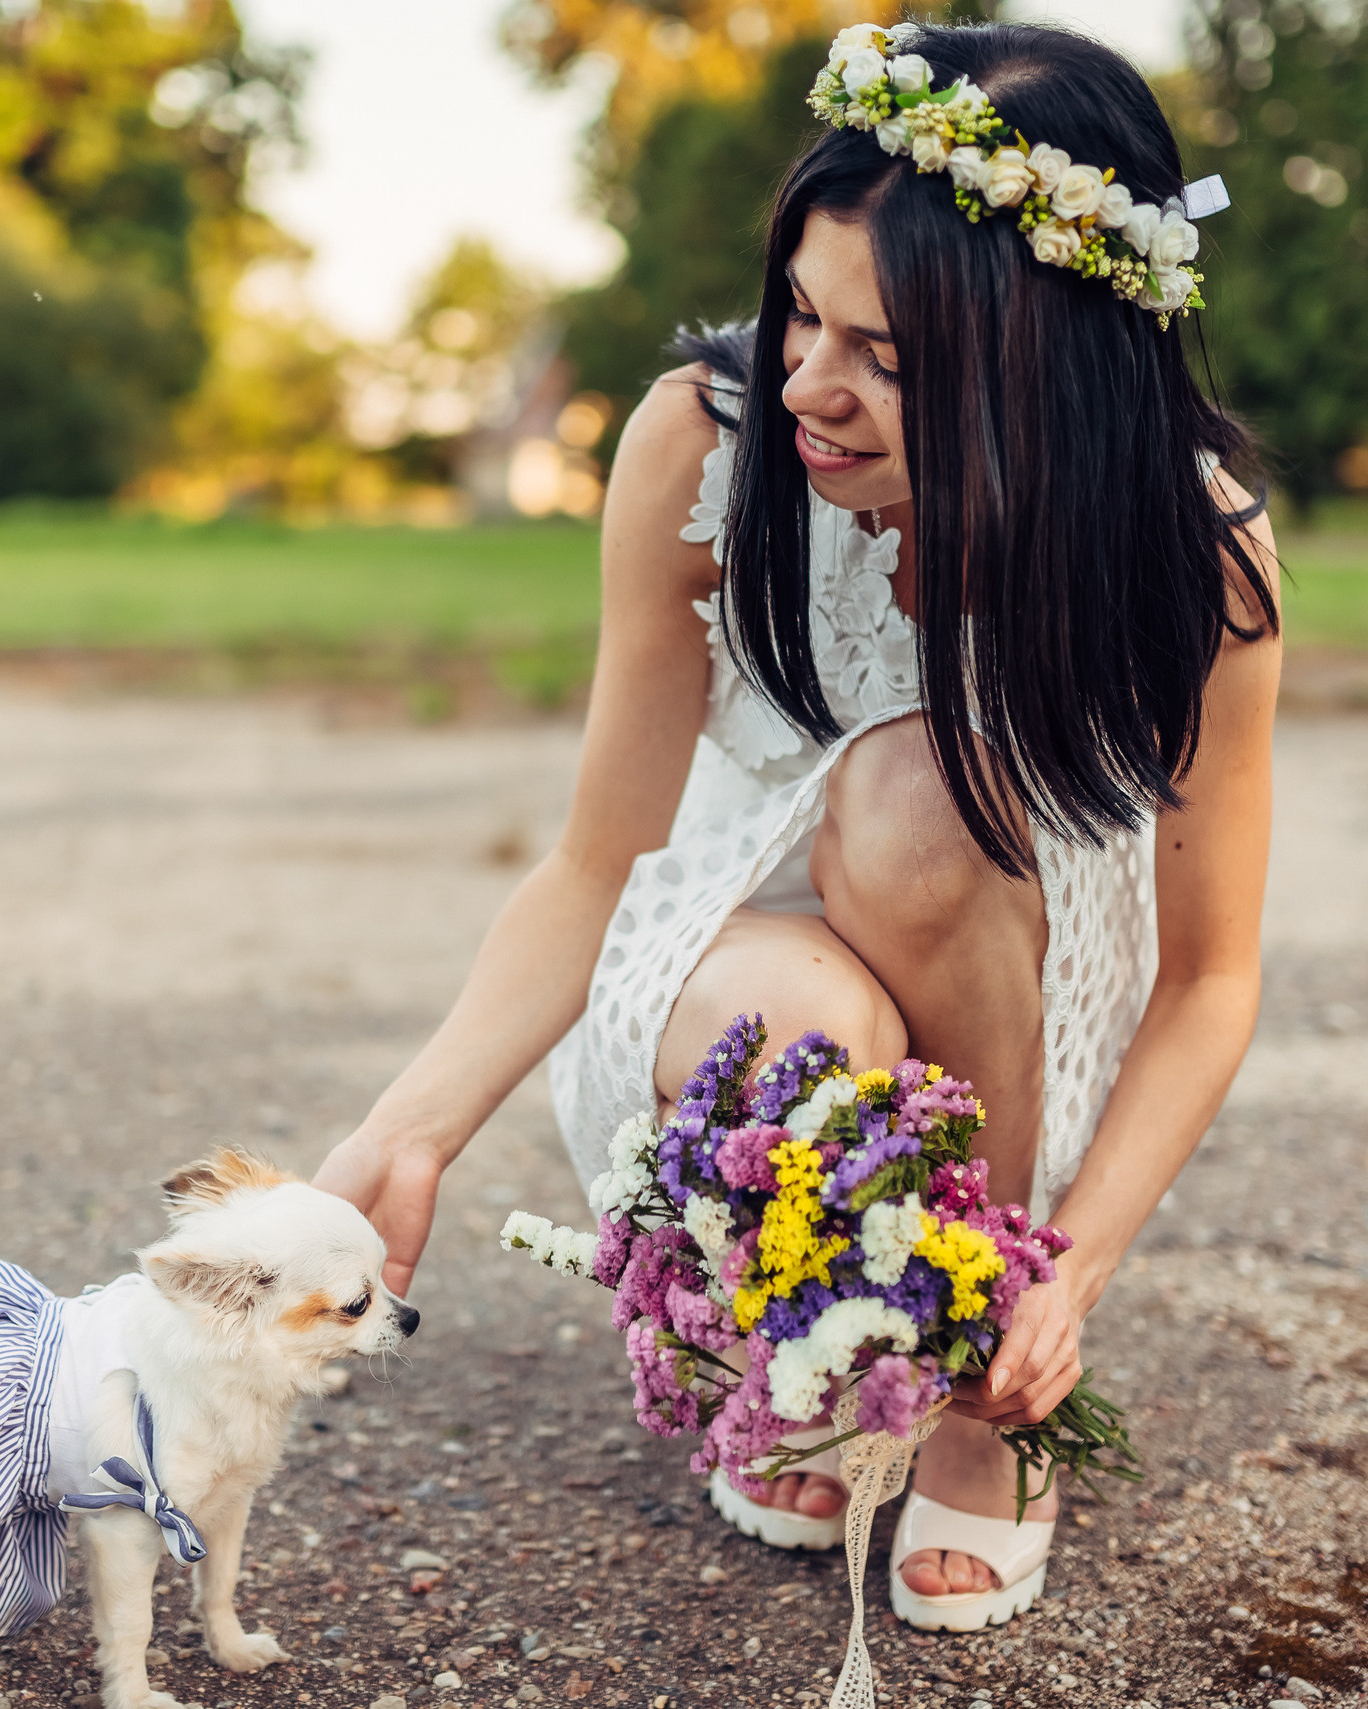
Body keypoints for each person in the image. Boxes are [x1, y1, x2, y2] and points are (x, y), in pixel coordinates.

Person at [315, 17, 1278, 1630]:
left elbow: (1212, 981)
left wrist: (1069, 1270)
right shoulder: (705, 442)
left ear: (1050, 358)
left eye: (890, 357)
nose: (815, 388)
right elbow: (592, 863)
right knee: (797, 1008)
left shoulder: (1193, 558)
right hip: (724, 971)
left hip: (1019, 980)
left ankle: (979, 1381)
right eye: (801, 316)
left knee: (921, 794)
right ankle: (821, 1353)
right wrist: (409, 1127)